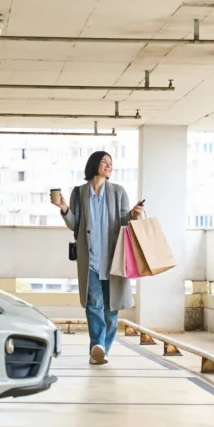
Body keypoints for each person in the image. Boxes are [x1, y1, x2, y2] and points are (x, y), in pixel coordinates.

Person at [54, 151, 143, 365]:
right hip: (90, 260)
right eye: (104, 162)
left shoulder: (118, 192)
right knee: (94, 304)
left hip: (113, 259)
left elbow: (123, 222)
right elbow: (75, 225)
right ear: (94, 165)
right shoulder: (79, 192)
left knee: (111, 308)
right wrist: (64, 208)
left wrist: (132, 214)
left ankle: (103, 350)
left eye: (111, 163)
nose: (109, 166)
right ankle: (97, 346)